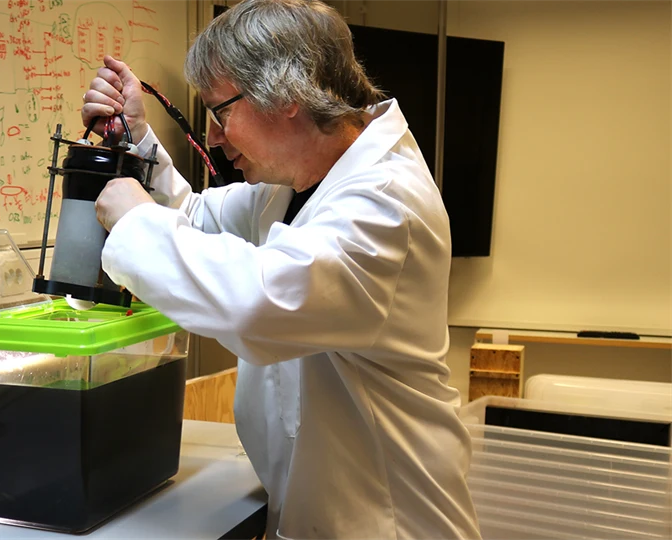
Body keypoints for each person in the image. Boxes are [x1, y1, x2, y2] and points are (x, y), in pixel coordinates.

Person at [81, 0, 481, 538]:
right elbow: (195, 220)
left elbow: (259, 303)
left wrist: (134, 226)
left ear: (286, 94)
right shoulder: (291, 188)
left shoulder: (386, 202)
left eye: (221, 112)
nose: (215, 137)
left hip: (392, 522)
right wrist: (138, 138)